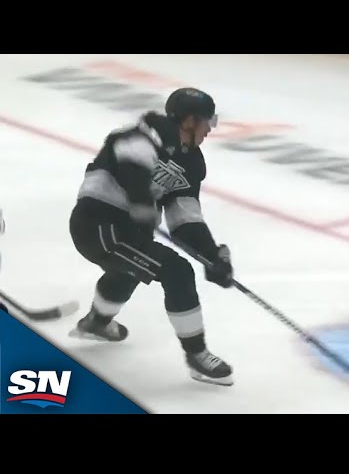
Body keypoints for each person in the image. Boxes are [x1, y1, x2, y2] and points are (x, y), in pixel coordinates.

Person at [68, 87, 235, 386]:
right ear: (188, 120)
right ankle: (197, 355)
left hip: (127, 233)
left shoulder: (192, 163)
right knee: (177, 270)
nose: (209, 129)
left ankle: (96, 322)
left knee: (130, 270)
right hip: (98, 226)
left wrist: (212, 255)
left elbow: (185, 217)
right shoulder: (143, 134)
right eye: (206, 122)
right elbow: (134, 168)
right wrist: (142, 204)